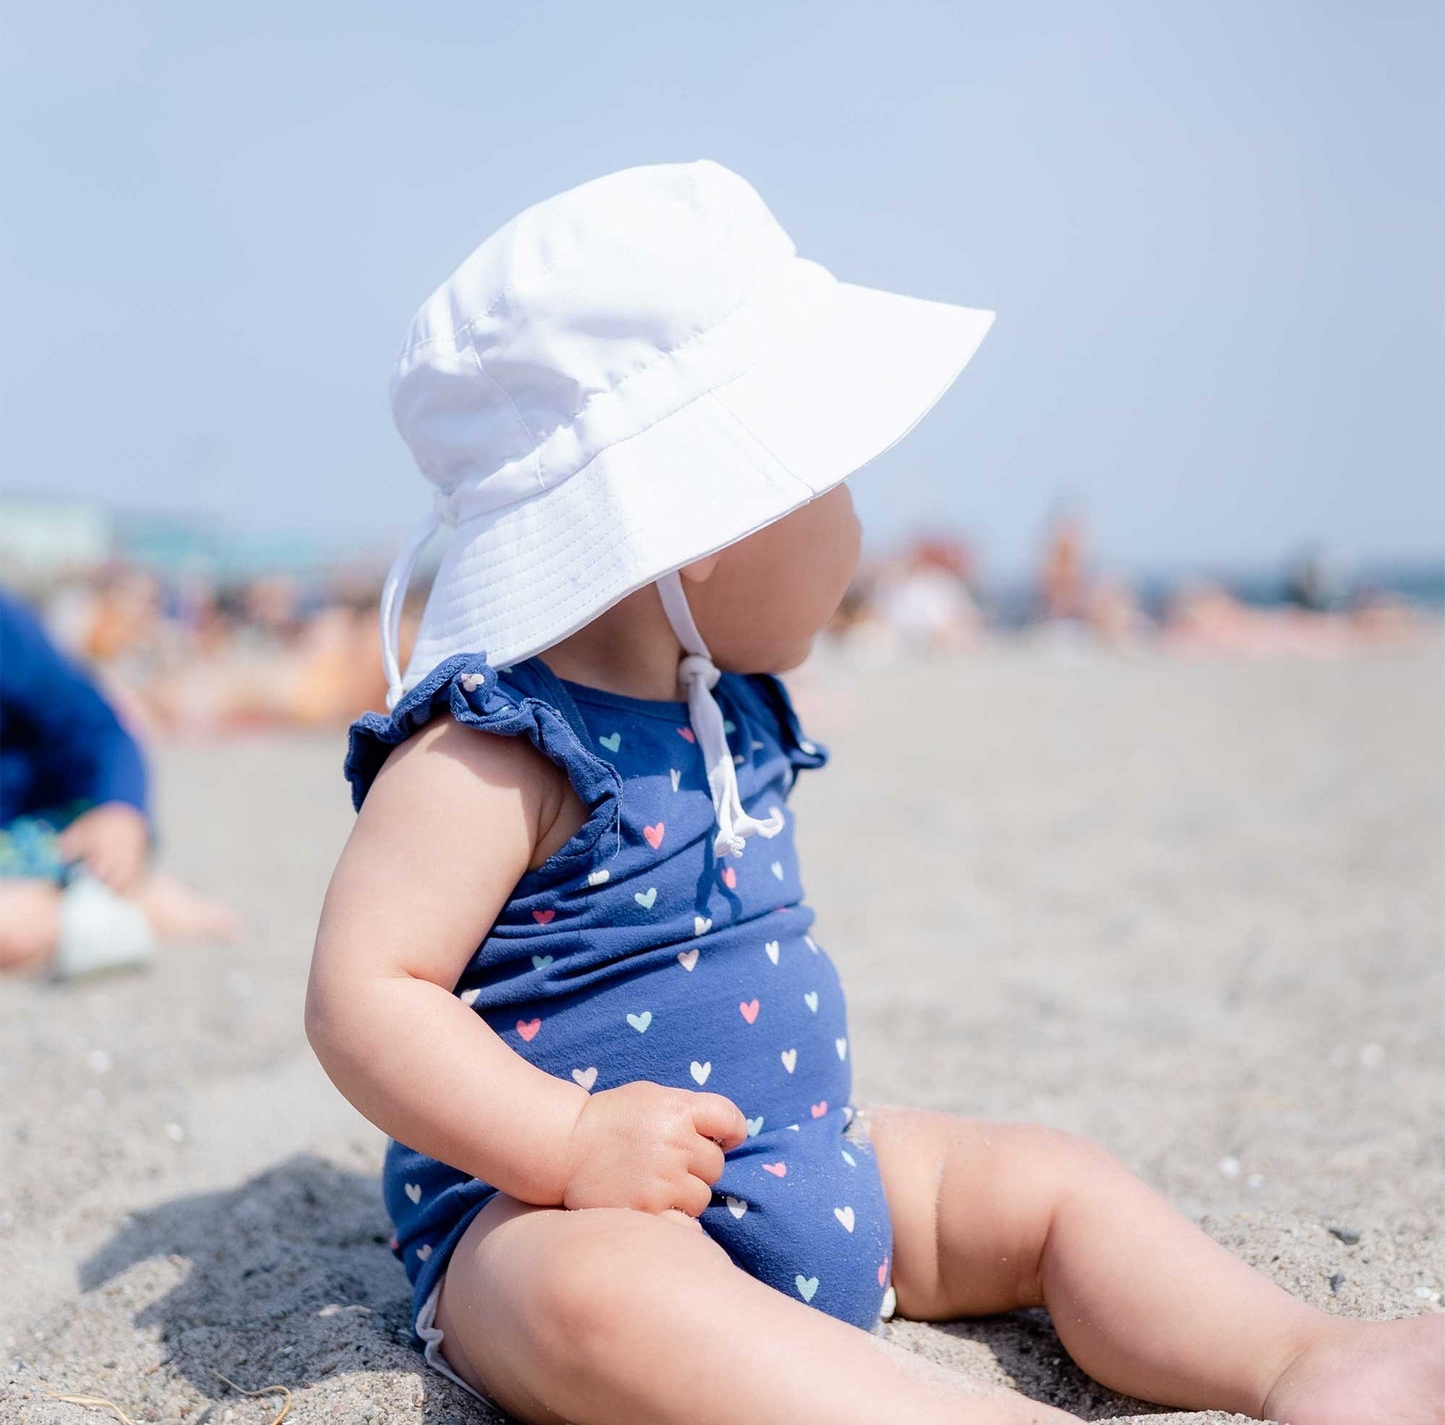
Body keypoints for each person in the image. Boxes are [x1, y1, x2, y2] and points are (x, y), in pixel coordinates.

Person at [306, 163, 1442, 1425]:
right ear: (704, 523)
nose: (860, 530)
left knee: (1045, 1178)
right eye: (831, 485)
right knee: (595, 1298)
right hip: (566, 1208)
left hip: (803, 1153)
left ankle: (1298, 1357)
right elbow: (365, 994)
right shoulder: (496, 747)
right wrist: (566, 1147)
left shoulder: (723, 703)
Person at [0, 589, 239, 975]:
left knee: (15, 928)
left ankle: (116, 900)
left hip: (46, 828)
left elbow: (94, 722)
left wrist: (119, 806)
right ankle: (115, 902)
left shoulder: (6, 630)